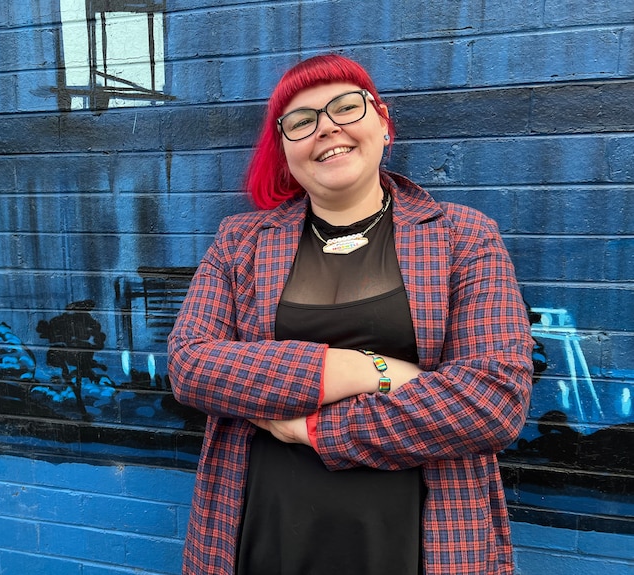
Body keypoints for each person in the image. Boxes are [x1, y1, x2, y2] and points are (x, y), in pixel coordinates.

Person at [167, 53, 533, 575]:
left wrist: (313, 430)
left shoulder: (463, 236)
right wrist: (370, 370)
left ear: (382, 122)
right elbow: (191, 366)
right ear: (285, 149)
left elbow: (492, 400)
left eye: (345, 107)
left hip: (419, 540)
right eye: (302, 121)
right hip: (261, 533)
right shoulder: (240, 243)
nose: (327, 128)